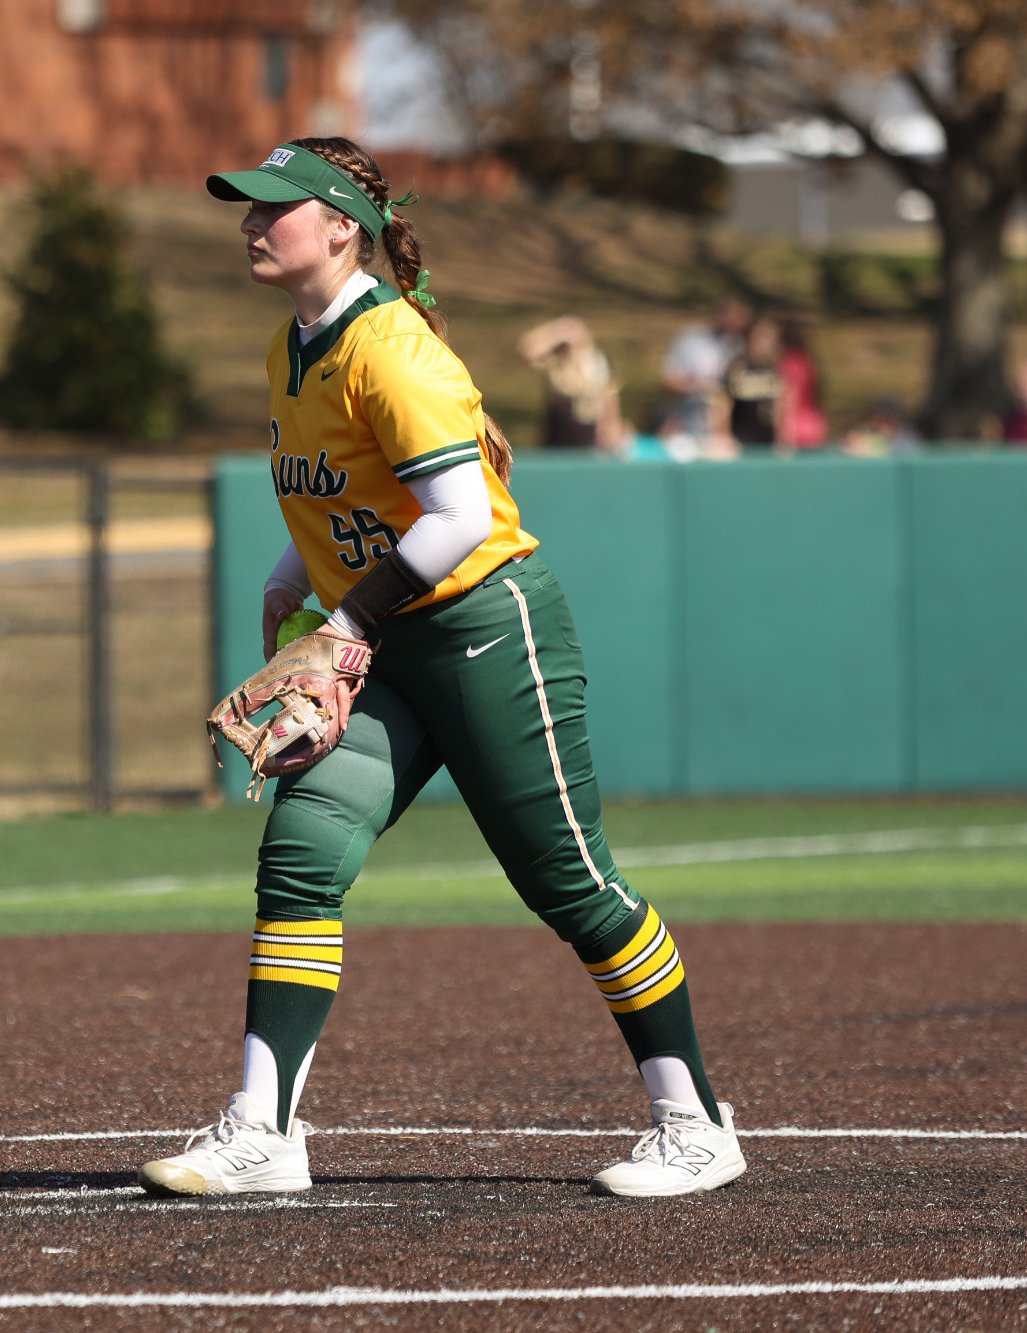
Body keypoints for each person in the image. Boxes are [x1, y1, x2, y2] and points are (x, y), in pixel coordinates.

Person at [140, 138, 744, 1201]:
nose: (249, 223)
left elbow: (460, 516)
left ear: (338, 227)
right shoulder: (295, 344)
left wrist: (346, 617)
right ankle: (263, 1130)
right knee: (300, 855)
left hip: (481, 629)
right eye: (245, 207)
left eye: (272, 208)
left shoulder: (391, 349)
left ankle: (693, 1122)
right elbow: (354, 492)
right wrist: (298, 572)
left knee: (570, 885)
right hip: (381, 637)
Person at [516, 315, 623, 451]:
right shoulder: (557, 365)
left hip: (588, 440)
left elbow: (609, 402)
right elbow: (527, 350)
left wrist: (610, 432)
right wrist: (555, 333)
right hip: (557, 440)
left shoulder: (597, 364)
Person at [658, 298, 747, 445]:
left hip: (722, 431)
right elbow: (668, 380)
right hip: (687, 426)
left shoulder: (739, 346)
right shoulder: (690, 340)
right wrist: (696, 386)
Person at [719, 316, 783, 449]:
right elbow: (722, 404)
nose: (766, 343)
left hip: (768, 441)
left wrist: (782, 440)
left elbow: (781, 408)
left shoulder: (774, 370)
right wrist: (725, 436)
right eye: (762, 337)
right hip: (741, 439)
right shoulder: (737, 367)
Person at [776, 319, 828, 449]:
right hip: (814, 425)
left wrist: (784, 434)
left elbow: (788, 399)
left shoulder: (789, 363)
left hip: (796, 429)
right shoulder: (808, 361)